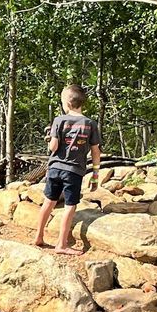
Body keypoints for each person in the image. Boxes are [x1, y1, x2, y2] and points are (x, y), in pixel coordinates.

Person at [34, 84, 102, 255]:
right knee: (70, 206)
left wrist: (50, 137)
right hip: (74, 172)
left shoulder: (59, 120)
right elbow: (95, 151)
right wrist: (95, 174)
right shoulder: (90, 124)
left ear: (66, 103)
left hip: (55, 168)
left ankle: (38, 236)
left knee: (49, 201)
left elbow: (53, 147)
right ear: (81, 103)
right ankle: (61, 244)